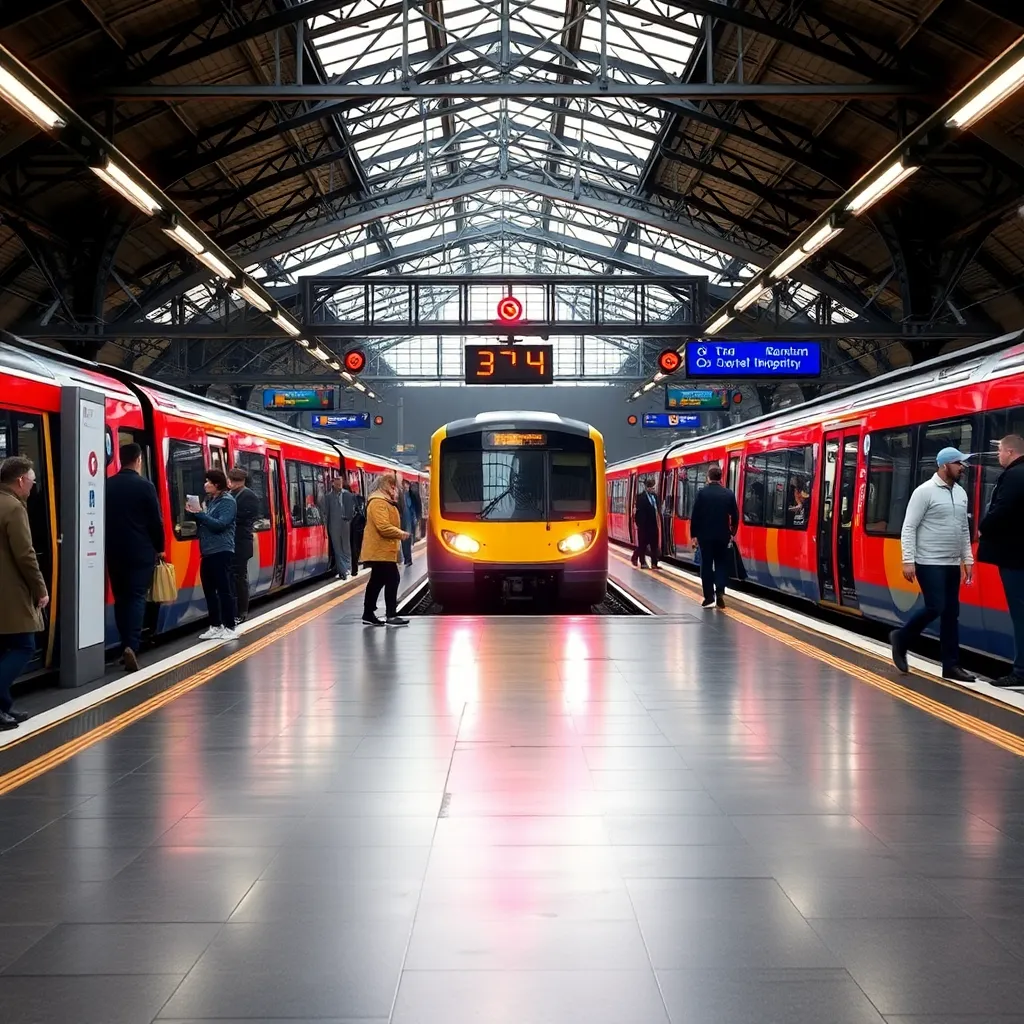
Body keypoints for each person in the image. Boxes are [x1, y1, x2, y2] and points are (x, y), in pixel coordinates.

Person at [890, 446, 975, 682]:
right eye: (958, 463)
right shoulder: (924, 492)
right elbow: (909, 526)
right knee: (936, 606)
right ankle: (901, 638)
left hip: (951, 563)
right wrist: (908, 560)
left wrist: (967, 559)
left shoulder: (961, 493)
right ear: (945, 465)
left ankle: (951, 666)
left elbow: (963, 529)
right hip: (928, 561)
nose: (962, 467)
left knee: (951, 614)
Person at [105, 443, 164, 672]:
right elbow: (155, 521)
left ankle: (123, 645)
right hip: (141, 551)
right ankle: (132, 645)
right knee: (137, 597)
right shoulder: (145, 486)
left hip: (114, 551)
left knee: (121, 598)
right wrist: (160, 548)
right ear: (138, 460)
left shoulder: (108, 485)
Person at [0, 457, 47, 729]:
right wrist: (40, 589)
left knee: (4, 647)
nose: (33, 486)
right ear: (20, 481)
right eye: (32, 481)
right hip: (12, 592)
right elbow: (26, 555)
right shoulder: (15, 508)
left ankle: (4, 706)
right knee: (24, 645)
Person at [978, 433, 1024, 686]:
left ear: (1010, 452)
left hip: (1015, 556)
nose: (998, 456)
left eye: (999, 452)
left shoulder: (1014, 475)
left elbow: (1002, 509)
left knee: (1020, 614)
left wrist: (983, 527)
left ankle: (1020, 671)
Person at [186, 469, 238, 641]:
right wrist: (195, 513)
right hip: (207, 552)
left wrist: (200, 514)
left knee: (224, 590)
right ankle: (216, 625)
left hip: (221, 550)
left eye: (209, 482)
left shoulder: (227, 501)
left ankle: (230, 627)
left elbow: (220, 524)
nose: (205, 484)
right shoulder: (211, 501)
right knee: (209, 590)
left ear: (217, 484)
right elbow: (207, 523)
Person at [361, 472, 411, 627]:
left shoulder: (384, 500)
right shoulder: (378, 502)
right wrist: (401, 534)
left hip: (383, 550)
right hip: (380, 550)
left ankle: (368, 613)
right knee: (392, 579)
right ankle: (390, 615)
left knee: (377, 581)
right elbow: (383, 526)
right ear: (386, 484)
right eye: (393, 485)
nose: (395, 489)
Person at [690, 464, 740, 609]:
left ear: (708, 477)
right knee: (721, 564)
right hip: (722, 536)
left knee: (706, 565)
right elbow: (735, 516)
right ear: (720, 477)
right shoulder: (728, 494)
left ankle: (709, 597)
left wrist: (694, 535)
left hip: (705, 537)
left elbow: (695, 516)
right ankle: (720, 592)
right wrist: (732, 533)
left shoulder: (702, 493)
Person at [227, 467, 260, 622]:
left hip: (241, 542)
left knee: (239, 577)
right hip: (232, 541)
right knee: (233, 577)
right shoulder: (231, 494)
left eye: (232, 480)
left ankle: (242, 611)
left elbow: (245, 518)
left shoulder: (249, 496)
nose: (230, 483)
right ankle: (233, 609)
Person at [322, 475, 355, 580]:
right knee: (337, 549)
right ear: (333, 484)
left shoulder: (348, 495)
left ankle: (347, 568)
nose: (338, 486)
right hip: (334, 526)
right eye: (336, 484)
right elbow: (326, 512)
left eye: (340, 484)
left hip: (346, 525)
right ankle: (343, 570)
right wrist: (326, 527)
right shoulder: (328, 497)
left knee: (346, 547)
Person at [632, 477, 659, 569]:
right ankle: (641, 561)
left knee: (654, 544)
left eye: (653, 488)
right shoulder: (640, 497)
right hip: (644, 525)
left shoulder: (655, 497)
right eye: (651, 488)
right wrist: (639, 524)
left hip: (653, 524)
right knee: (643, 544)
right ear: (647, 487)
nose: (652, 489)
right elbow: (638, 513)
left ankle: (654, 563)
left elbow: (657, 508)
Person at [400, 479, 420, 567]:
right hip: (405, 519)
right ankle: (407, 559)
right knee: (405, 539)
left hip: (409, 519)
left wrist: (416, 518)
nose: (405, 486)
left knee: (407, 539)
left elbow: (416, 507)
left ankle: (407, 559)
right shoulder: (402, 495)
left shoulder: (411, 495)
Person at [350, 486, 366, 574]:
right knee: (357, 546)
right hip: (359, 526)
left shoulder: (348, 499)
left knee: (353, 546)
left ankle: (354, 568)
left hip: (352, 526)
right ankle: (356, 567)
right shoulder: (361, 499)